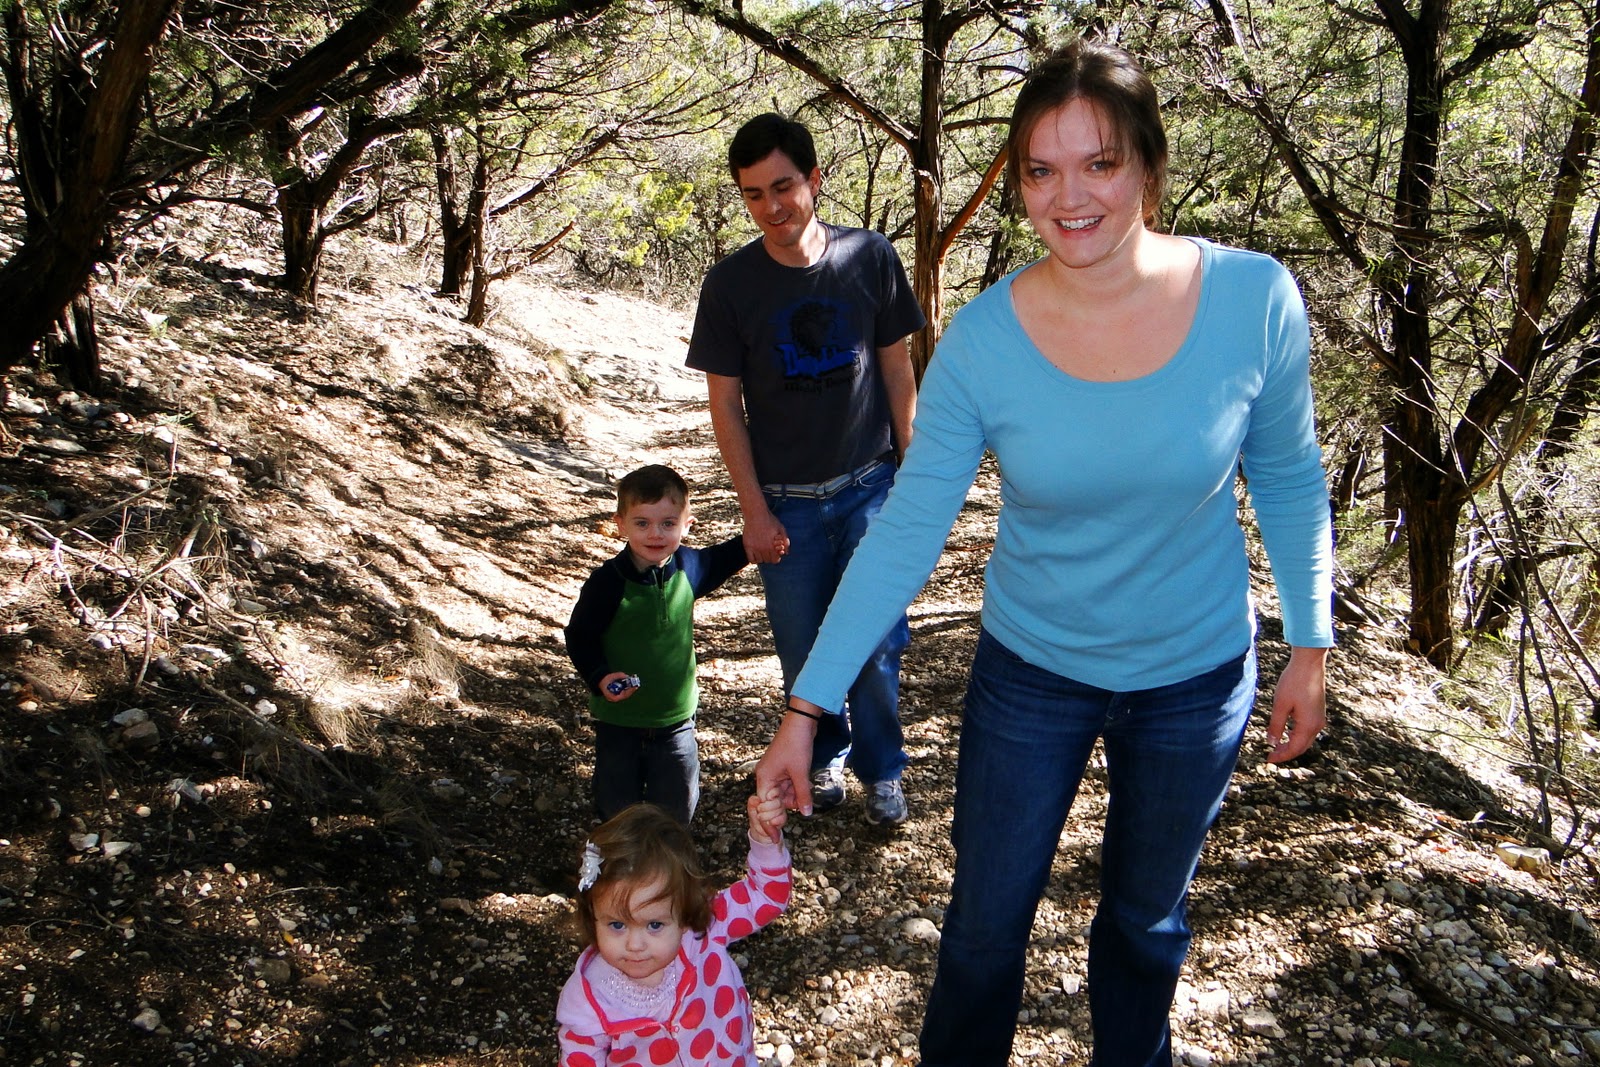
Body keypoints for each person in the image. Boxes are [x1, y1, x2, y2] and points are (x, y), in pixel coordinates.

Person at [755, 38, 1334, 1067]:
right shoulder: (983, 341)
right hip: (1032, 674)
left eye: (1099, 162)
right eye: (1040, 169)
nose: (1070, 196)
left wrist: (1309, 643)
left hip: (1195, 679)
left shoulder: (1255, 301)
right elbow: (906, 530)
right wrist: (809, 707)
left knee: (1145, 924)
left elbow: (1286, 474)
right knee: (982, 927)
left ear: (1147, 166)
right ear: (1018, 178)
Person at [686, 112, 927, 825]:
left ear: (815, 180)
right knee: (803, 652)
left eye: (783, 186)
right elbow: (725, 404)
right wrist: (754, 510)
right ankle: (823, 753)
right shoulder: (731, 284)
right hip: (786, 503)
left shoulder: (870, 256)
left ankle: (885, 769)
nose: (771, 207)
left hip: (868, 487)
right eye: (753, 194)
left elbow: (895, 364)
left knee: (879, 641)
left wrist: (913, 471)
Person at [564, 464, 748, 825]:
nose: (655, 534)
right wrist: (600, 677)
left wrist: (764, 531)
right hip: (619, 722)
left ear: (687, 524)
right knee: (618, 811)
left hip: (675, 722)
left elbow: (733, 553)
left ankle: (669, 874)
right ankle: (619, 873)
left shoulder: (689, 567)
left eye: (668, 523)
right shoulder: (608, 583)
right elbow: (579, 636)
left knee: (676, 808)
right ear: (620, 524)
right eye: (642, 523)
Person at [555, 795, 791, 1066]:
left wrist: (765, 841)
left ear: (684, 912)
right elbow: (580, 1059)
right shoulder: (589, 996)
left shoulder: (704, 930)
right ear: (592, 916)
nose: (634, 944)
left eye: (654, 925)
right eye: (617, 925)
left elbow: (766, 896)